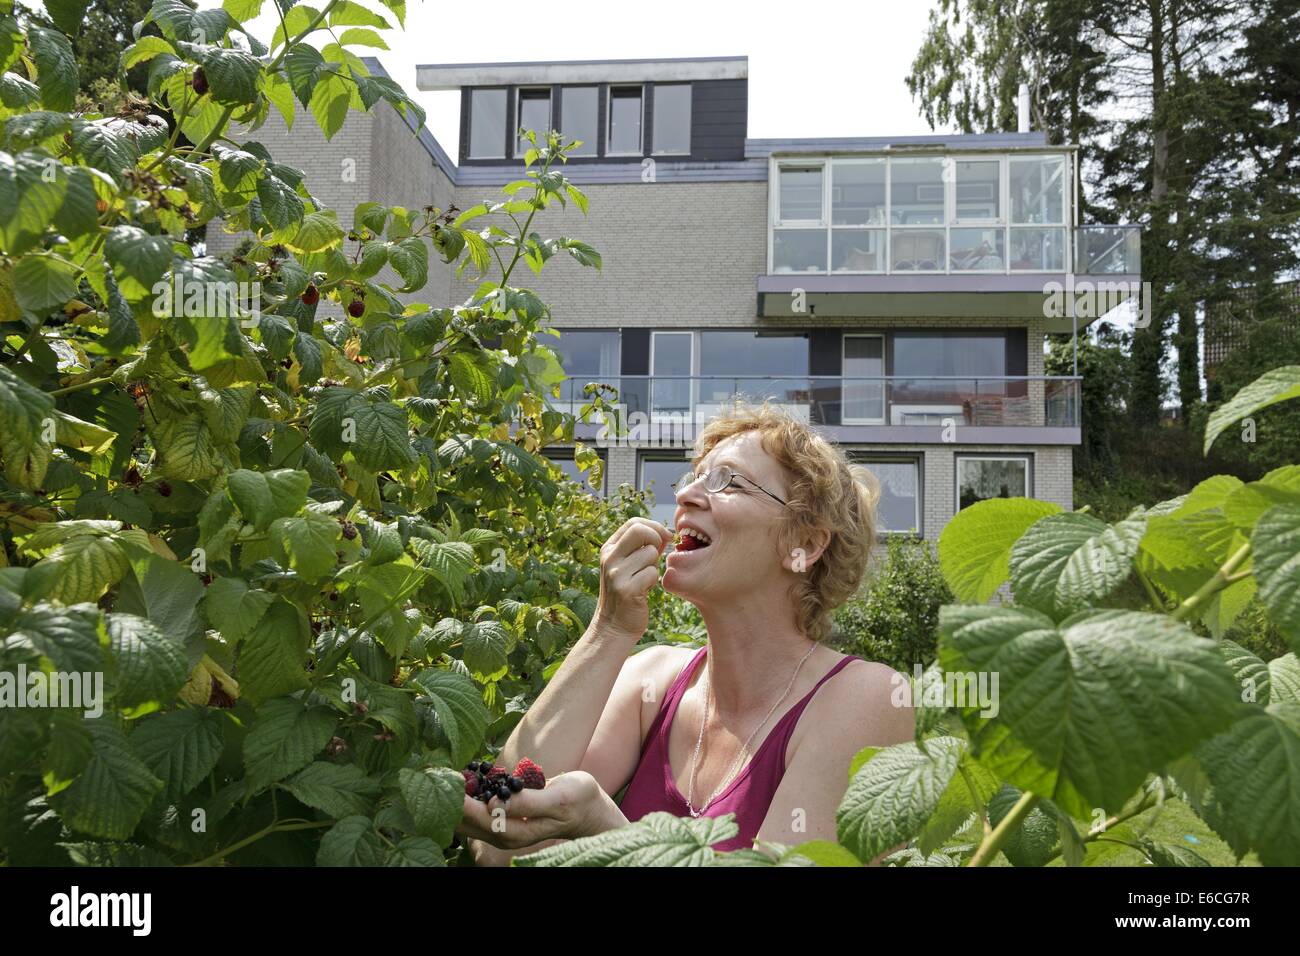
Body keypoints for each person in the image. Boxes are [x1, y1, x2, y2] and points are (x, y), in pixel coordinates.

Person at [456, 400, 915, 865]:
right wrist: (609, 629)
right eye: (694, 478)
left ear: (805, 543)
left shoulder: (866, 698)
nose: (686, 496)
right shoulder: (652, 681)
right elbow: (496, 841)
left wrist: (604, 827)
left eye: (729, 482)